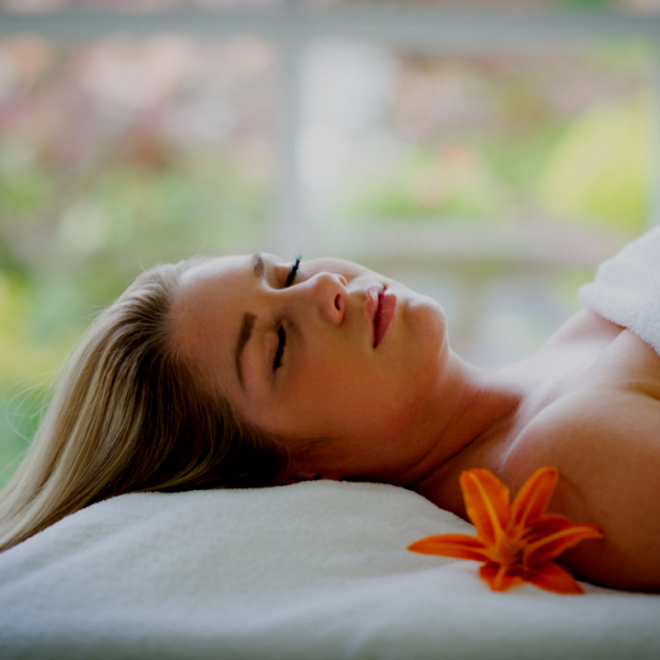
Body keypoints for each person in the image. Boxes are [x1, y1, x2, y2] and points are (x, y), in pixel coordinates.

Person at [0, 250, 659, 593]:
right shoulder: (570, 463)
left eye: (286, 271)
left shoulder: (581, 337)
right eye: (277, 348)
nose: (322, 290)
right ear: (294, 474)